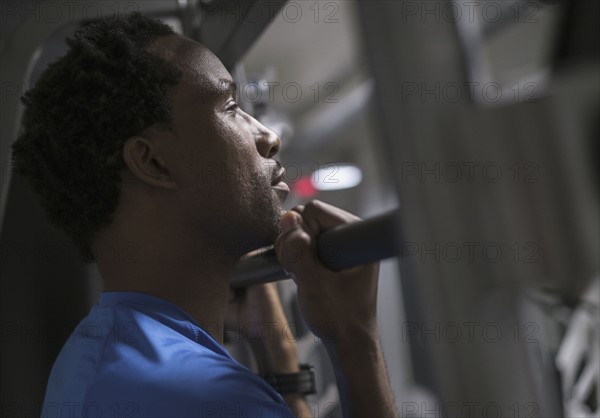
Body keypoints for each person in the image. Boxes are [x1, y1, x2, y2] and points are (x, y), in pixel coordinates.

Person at [12, 12, 398, 418]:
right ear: (153, 162)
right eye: (231, 106)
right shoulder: (196, 394)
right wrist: (355, 338)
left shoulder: (102, 352)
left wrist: (278, 360)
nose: (268, 137)